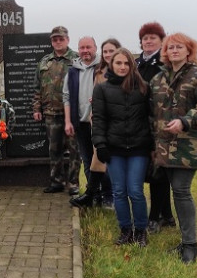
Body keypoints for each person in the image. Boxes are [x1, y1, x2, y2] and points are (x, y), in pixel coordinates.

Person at [149, 33, 197, 264]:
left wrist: (185, 121)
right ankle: (184, 241)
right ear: (166, 52)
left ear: (189, 51)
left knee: (180, 190)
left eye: (180, 47)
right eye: (170, 47)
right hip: (164, 144)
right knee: (174, 190)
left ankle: (190, 245)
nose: (175, 51)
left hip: (190, 145)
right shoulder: (158, 79)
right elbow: (152, 111)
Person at [91, 48, 154, 246]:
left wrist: (152, 144)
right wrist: (100, 144)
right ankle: (125, 229)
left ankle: (141, 230)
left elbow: (151, 118)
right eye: (118, 63)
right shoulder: (102, 89)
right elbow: (99, 119)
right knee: (119, 191)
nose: (122, 67)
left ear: (132, 65)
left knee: (135, 190)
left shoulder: (143, 88)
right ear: (112, 64)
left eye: (126, 63)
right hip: (114, 148)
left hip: (138, 148)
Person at [135, 21, 176, 234]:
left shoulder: (166, 64)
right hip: (140, 124)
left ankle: (155, 218)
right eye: (145, 38)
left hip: (161, 124)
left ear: (161, 41)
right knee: (150, 171)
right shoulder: (136, 64)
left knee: (159, 172)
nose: (148, 41)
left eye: (153, 37)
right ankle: (167, 215)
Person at [64, 36, 113, 208]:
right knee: (87, 160)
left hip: (99, 124)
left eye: (88, 47)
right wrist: (68, 121)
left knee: (101, 160)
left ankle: (109, 195)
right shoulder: (72, 70)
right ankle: (94, 195)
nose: (85, 51)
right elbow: (67, 97)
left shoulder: (103, 67)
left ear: (95, 48)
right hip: (81, 123)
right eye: (82, 47)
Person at [32, 26, 80, 194]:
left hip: (72, 114)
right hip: (51, 113)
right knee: (54, 150)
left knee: (75, 150)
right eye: (55, 39)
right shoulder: (44, 61)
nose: (58, 42)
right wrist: (37, 108)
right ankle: (56, 182)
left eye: (61, 39)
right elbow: (37, 87)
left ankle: (73, 183)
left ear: (67, 40)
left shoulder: (77, 60)